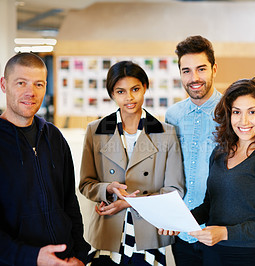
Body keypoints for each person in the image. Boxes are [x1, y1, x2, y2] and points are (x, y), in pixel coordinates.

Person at [161, 77, 255, 265]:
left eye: (252, 112)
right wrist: (179, 222)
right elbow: (209, 205)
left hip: (248, 257)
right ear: (228, 115)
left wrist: (225, 233)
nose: (244, 120)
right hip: (212, 254)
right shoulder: (219, 152)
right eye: (236, 112)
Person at [79, 61, 185, 265]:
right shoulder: (95, 131)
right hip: (108, 233)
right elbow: (86, 184)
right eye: (121, 91)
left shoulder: (166, 133)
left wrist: (128, 202)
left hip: (148, 233)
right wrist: (107, 188)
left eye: (135, 89)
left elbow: (174, 190)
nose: (129, 97)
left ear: (145, 87)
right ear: (112, 94)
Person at [0, 52, 90, 265]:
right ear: (4, 85)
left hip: (65, 260)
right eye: (21, 83)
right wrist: (32, 257)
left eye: (38, 84)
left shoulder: (54, 137)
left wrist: (79, 254)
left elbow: (69, 202)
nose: (30, 92)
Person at [165, 35, 222, 265]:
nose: (194, 78)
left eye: (201, 69)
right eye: (186, 71)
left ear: (214, 69)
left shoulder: (232, 114)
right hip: (183, 233)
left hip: (219, 233)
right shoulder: (172, 116)